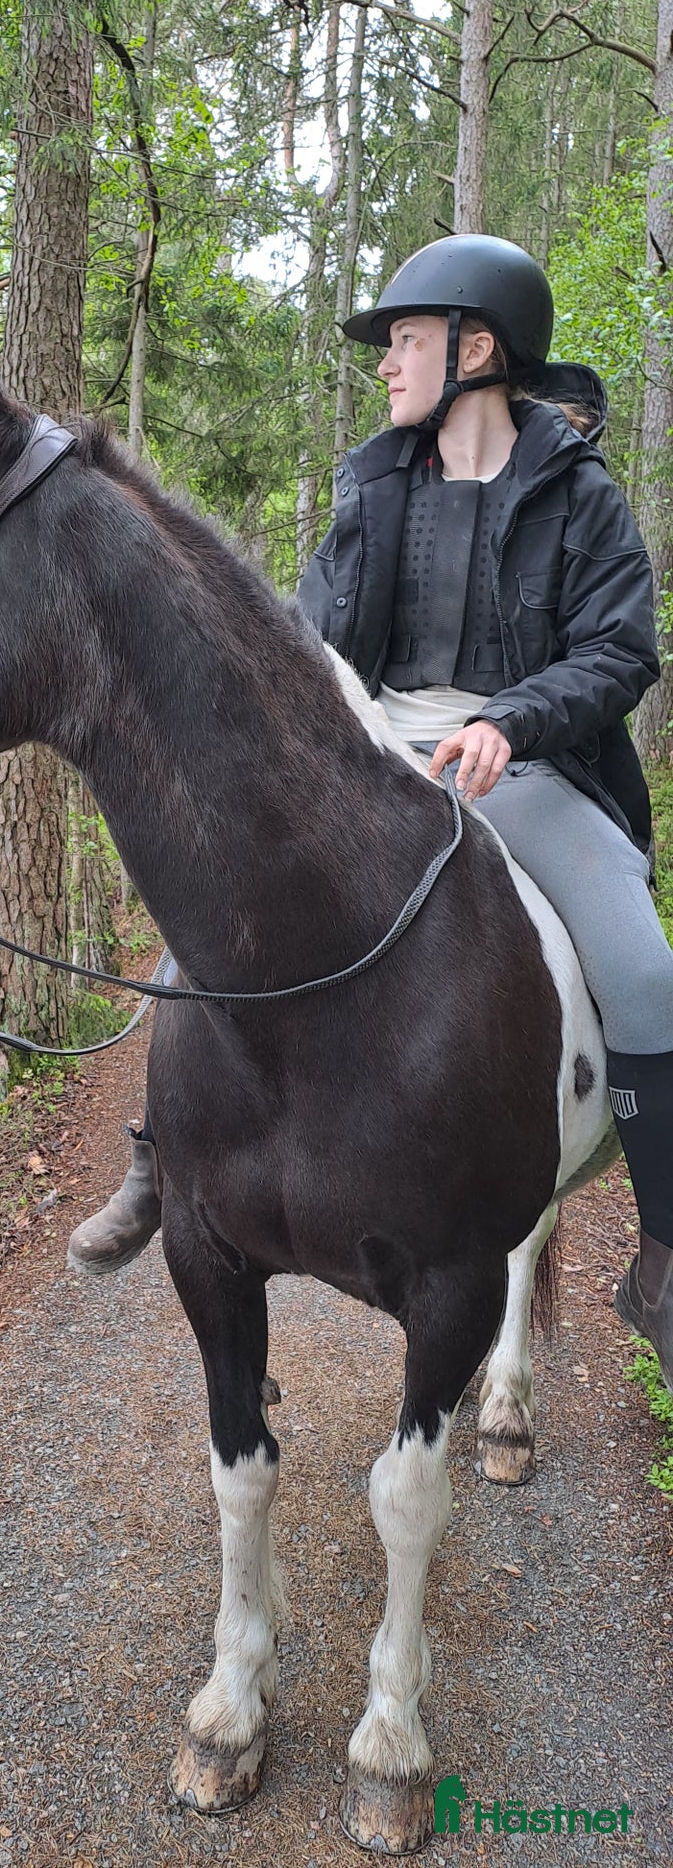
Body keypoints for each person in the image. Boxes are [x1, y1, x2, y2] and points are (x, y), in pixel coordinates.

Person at [66, 235, 673, 1390]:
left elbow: (619, 649)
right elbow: (297, 640)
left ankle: (663, 1258)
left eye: (404, 338)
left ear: (476, 348)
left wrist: (516, 718)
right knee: (212, 921)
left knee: (647, 978)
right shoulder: (371, 481)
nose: (387, 363)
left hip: (527, 765)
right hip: (373, 749)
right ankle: (160, 1159)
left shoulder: (581, 495)